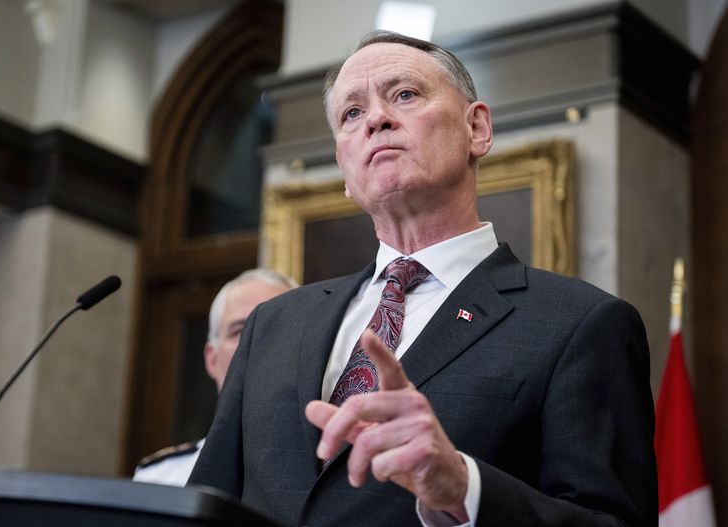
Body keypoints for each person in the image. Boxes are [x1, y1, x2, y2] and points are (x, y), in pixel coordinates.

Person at [188, 31, 657, 527]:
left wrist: (463, 488)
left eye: (405, 95)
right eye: (352, 113)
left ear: (476, 128)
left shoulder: (580, 325)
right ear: (345, 172)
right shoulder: (274, 325)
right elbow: (203, 507)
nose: (376, 119)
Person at [133, 269, 296, 486]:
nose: (253, 343)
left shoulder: (332, 476)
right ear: (212, 359)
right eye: (239, 331)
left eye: (274, 329)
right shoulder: (157, 480)